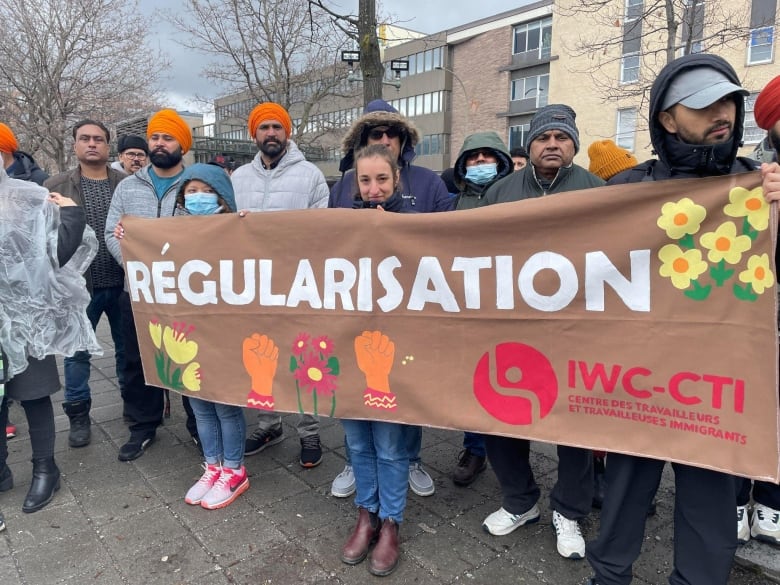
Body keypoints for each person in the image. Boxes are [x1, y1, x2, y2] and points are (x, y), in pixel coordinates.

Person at [583, 53, 757, 585]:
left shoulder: (762, 187)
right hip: (640, 381)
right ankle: (609, 576)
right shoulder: (626, 192)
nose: (721, 112)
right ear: (667, 118)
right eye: (703, 104)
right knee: (624, 492)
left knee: (711, 507)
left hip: (720, 387)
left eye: (728, 99)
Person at [481, 104, 603, 560]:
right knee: (499, 413)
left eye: (562, 137)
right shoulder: (500, 192)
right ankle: (519, 500)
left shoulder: (598, 191)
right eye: (543, 137)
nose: (553, 144)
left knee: (574, 424)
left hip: (574, 329)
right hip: (510, 328)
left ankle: (569, 510)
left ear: (574, 144)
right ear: (529, 146)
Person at [329, 99, 452, 499]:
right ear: (363, 142)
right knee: (354, 383)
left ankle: (410, 459)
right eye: (375, 134)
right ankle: (355, 460)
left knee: (405, 385)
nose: (384, 140)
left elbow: (456, 233)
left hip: (411, 309)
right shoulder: (343, 187)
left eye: (391, 133)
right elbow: (317, 237)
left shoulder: (430, 183)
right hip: (356, 308)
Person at [231, 102, 329, 468]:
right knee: (259, 356)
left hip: (298, 282)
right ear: (253, 134)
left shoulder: (310, 176)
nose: (270, 133)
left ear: (287, 131)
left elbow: (322, 232)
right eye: (264, 128)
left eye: (277, 126)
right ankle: (269, 424)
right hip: (252, 285)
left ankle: (310, 430)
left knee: (304, 357)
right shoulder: (237, 178)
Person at [0, 166, 99, 521]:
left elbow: (56, 253)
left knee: (32, 395)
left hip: (25, 320)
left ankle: (46, 470)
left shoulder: (26, 198)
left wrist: (71, 212)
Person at [105, 108, 199, 461]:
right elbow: (113, 233)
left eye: (168, 137)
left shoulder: (196, 185)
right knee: (137, 360)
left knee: (192, 359)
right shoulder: (128, 187)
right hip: (139, 291)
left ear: (182, 145)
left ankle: (198, 425)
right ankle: (143, 425)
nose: (160, 144)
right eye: (155, 137)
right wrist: (137, 267)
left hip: (185, 295)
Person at [340, 144, 412, 577]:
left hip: (388, 356)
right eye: (364, 180)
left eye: (381, 179)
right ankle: (366, 514)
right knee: (357, 442)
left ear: (396, 179)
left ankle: (391, 523)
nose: (373, 188)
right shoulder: (341, 226)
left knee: (389, 445)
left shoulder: (416, 228)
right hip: (349, 351)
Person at [44, 120, 127, 448]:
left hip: (121, 282)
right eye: (85, 139)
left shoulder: (126, 184)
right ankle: (78, 414)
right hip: (79, 288)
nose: (92, 144)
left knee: (127, 351)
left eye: (98, 139)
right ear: (75, 145)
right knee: (76, 353)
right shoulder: (56, 186)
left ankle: (132, 406)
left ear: (108, 146)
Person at [173, 164, 248, 509]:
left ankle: (234, 470)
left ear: (221, 196)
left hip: (226, 336)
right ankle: (213, 466)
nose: (198, 197)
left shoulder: (238, 230)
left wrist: (252, 229)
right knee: (200, 408)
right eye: (191, 191)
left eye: (206, 191)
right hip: (190, 334)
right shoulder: (172, 232)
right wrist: (131, 237)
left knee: (227, 408)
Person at [448, 131, 514, 486]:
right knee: (472, 378)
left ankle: (509, 454)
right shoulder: (451, 203)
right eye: (473, 157)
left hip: (505, 302)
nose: (480, 163)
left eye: (488, 156)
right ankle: (475, 448)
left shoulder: (516, 198)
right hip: (464, 304)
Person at [735, 74, 780, 547]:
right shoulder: (752, 179)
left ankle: (770, 503)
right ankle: (731, 498)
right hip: (748, 322)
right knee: (741, 408)